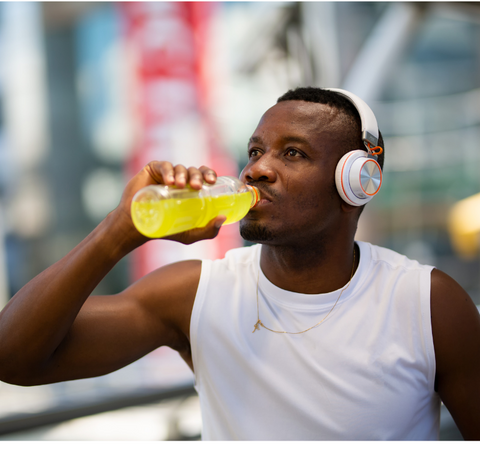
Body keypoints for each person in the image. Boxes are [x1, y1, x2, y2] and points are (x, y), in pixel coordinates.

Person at [0, 87, 479, 440]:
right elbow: (14, 357)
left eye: (292, 153)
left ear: (357, 183)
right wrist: (119, 230)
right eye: (255, 151)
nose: (256, 169)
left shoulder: (428, 303)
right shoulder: (194, 293)